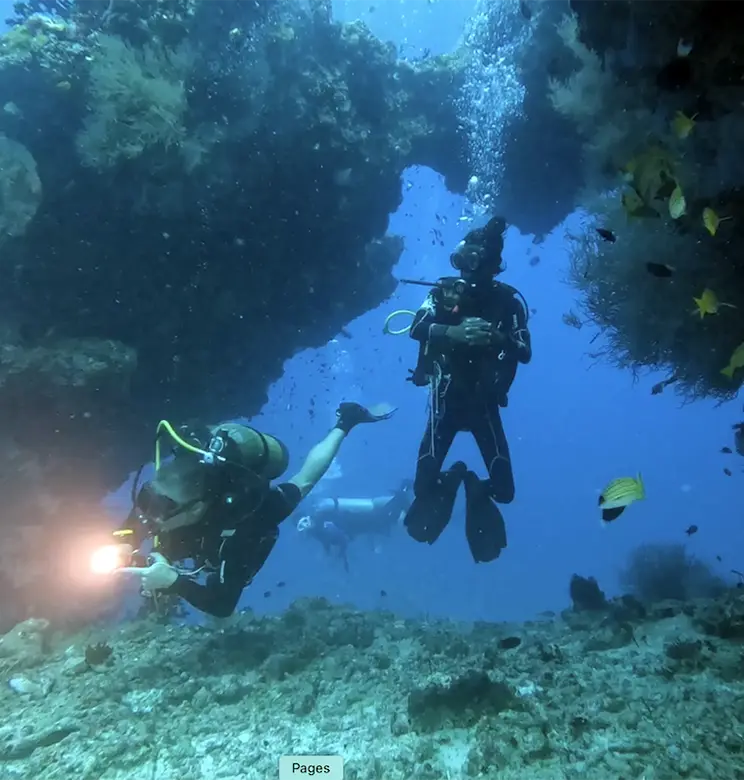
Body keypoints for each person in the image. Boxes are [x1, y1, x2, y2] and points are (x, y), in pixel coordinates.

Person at [104, 403, 394, 617]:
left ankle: (345, 423)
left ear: (196, 508)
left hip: (247, 526)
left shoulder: (246, 524)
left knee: (303, 483)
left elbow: (222, 606)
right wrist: (122, 543)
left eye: (163, 508)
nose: (149, 515)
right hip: (198, 525)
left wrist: (174, 581)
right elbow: (133, 526)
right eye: (148, 498)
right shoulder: (156, 502)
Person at [403, 216, 531, 563]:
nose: (465, 270)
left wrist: (497, 336)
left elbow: (525, 351)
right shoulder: (440, 293)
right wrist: (453, 333)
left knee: (504, 491)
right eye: (461, 260)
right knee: (421, 488)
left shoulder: (508, 302)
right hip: (445, 400)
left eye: (473, 261)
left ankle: (475, 488)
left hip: (484, 404)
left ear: (491, 264)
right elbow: (416, 327)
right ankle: (455, 477)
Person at [297, 479, 413, 569]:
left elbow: (339, 537)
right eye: (301, 526)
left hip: (356, 520)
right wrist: (329, 552)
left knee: (384, 517)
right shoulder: (317, 531)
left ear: (308, 517)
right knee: (384, 519)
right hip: (356, 525)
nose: (305, 525)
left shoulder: (320, 519)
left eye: (304, 521)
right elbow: (331, 539)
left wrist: (339, 553)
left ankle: (403, 491)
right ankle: (402, 493)